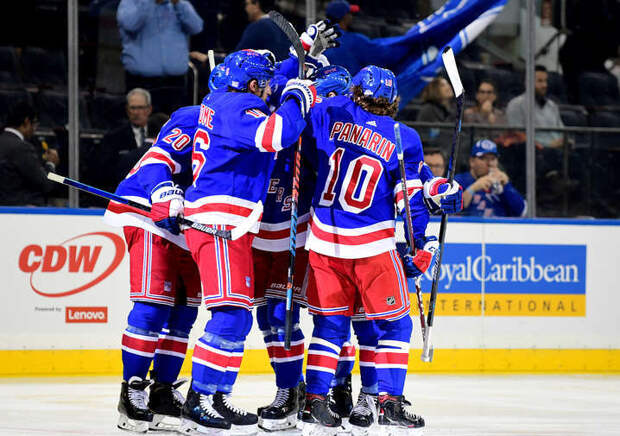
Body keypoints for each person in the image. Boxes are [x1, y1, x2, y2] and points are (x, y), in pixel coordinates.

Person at [300, 65, 461, 435]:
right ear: (394, 100)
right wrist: (419, 243)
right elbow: (411, 200)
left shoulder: (327, 113)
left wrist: (305, 81)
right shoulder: (403, 136)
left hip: (323, 240)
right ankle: (388, 402)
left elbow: (299, 131)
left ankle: (314, 402)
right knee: (395, 324)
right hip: (372, 244)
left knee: (329, 325)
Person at [179, 50, 316, 434]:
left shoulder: (221, 101)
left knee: (237, 318)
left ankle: (215, 396)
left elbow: (265, 87)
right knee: (230, 316)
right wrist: (298, 96)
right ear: (253, 84)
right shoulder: (238, 105)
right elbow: (276, 134)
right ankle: (198, 400)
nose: (270, 89)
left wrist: (300, 54)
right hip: (219, 222)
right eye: (265, 83)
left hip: (227, 223)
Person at [103, 104, 202, 433]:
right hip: (151, 212)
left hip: (189, 224)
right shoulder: (198, 116)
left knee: (184, 313)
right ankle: (131, 392)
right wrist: (164, 192)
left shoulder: (257, 127)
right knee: (152, 307)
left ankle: (162, 392)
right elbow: (156, 160)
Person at [116, 0, 203, 111]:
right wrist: (150, 2)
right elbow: (130, 24)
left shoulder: (179, 3)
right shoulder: (131, 2)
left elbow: (197, 27)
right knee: (144, 121)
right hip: (143, 82)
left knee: (175, 121)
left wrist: (178, 4)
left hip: (175, 83)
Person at [94, 88, 153, 198]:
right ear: (127, 110)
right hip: (124, 195)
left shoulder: (161, 133)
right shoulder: (113, 137)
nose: (136, 112)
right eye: (133, 108)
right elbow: (104, 172)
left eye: (140, 108)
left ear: (149, 109)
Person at [0, 101, 59, 206]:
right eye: (35, 124)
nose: (34, 130)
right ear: (27, 121)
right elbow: (46, 184)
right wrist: (51, 164)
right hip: (19, 209)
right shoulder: (21, 148)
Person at [455, 139, 526, 217]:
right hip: (469, 224)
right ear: (472, 161)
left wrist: (506, 186)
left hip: (498, 224)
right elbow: (452, 209)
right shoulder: (459, 180)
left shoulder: (502, 184)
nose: (489, 163)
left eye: (493, 159)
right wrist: (473, 188)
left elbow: (521, 211)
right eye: (483, 158)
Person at [505, 65, 564, 149]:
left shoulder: (552, 105)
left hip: (559, 150)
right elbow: (517, 135)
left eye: (545, 81)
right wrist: (548, 145)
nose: (545, 85)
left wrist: (565, 141)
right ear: (527, 83)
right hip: (534, 151)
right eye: (540, 81)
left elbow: (562, 131)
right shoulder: (516, 105)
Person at [416, 77, 456, 155]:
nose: (448, 86)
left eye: (448, 84)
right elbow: (423, 135)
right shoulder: (427, 109)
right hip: (432, 152)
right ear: (435, 89)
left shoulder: (453, 109)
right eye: (443, 85)